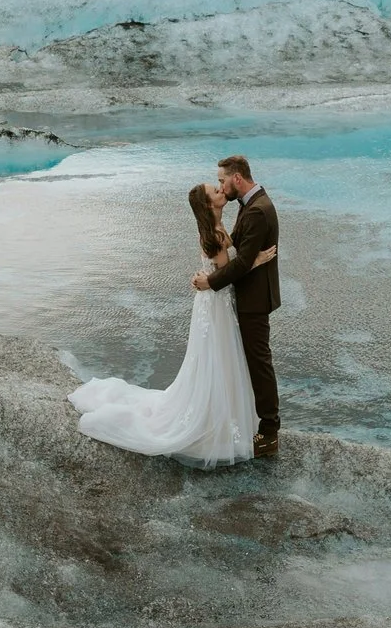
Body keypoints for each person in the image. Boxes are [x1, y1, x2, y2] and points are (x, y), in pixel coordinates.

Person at [69, 173, 279, 466]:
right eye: (214, 190)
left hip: (210, 303)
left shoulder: (216, 229)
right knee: (217, 359)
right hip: (215, 304)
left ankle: (217, 413)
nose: (220, 190)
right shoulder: (216, 235)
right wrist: (254, 261)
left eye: (218, 185)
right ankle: (213, 418)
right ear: (208, 204)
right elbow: (228, 276)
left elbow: (222, 266)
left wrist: (214, 273)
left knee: (214, 360)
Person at [198, 154, 280, 459]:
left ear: (237, 178)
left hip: (254, 300)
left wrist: (211, 281)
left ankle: (270, 432)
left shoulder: (257, 210)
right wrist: (250, 259)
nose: (221, 187)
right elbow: (243, 253)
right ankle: (246, 422)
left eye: (222, 180)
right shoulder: (252, 204)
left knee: (259, 363)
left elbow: (243, 261)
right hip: (248, 296)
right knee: (247, 362)